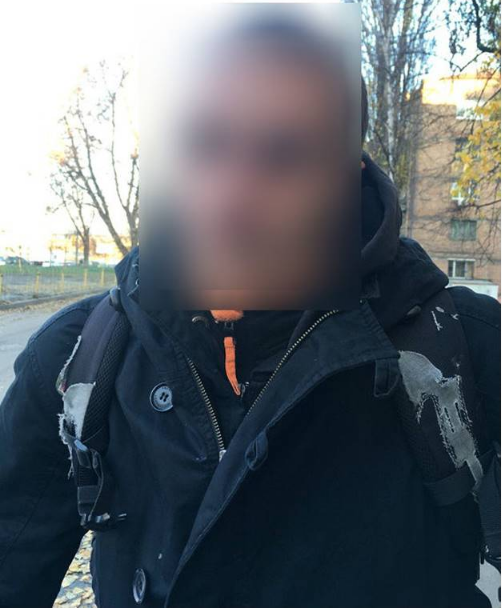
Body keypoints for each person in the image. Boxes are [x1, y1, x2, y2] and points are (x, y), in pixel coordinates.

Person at [0, 15, 499, 608]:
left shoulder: (466, 350)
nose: (230, 200)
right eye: (204, 144)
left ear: (348, 178)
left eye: (285, 154)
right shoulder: (79, 360)